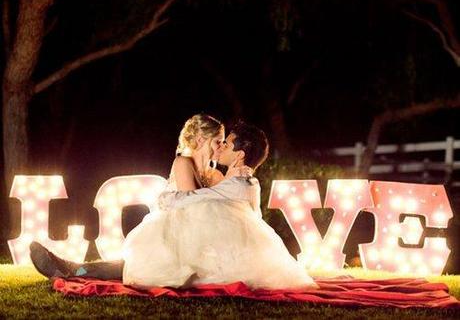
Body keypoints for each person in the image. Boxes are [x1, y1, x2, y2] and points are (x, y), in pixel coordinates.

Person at [30, 120, 316, 290]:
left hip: (213, 262)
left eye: (226, 144)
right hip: (213, 255)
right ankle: (73, 267)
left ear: (240, 155)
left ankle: (73, 269)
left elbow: (191, 200)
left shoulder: (238, 184)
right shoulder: (241, 181)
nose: (221, 147)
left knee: (143, 260)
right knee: (141, 260)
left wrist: (167, 198)